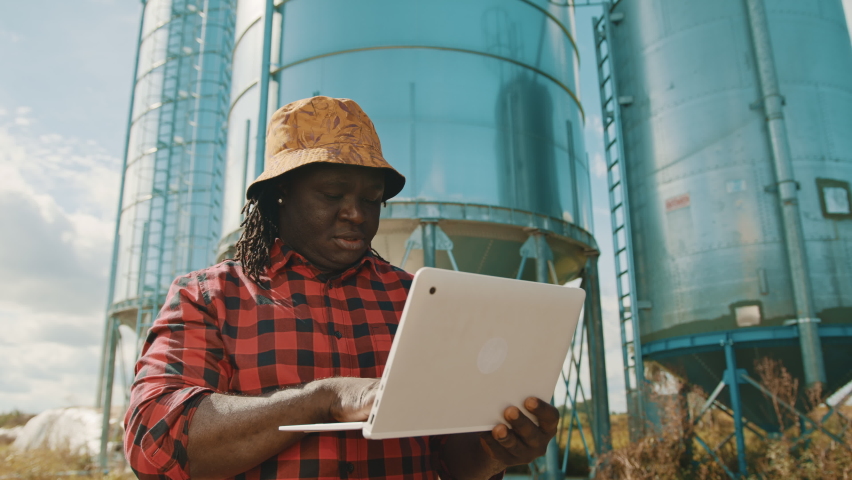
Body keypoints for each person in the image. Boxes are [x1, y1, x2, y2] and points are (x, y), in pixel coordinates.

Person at [124, 96, 560, 479]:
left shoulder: (420, 301)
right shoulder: (209, 297)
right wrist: (324, 399)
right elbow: (154, 441)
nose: (355, 213)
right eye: (332, 193)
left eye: (371, 199)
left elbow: (448, 461)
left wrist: (495, 451)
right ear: (280, 194)